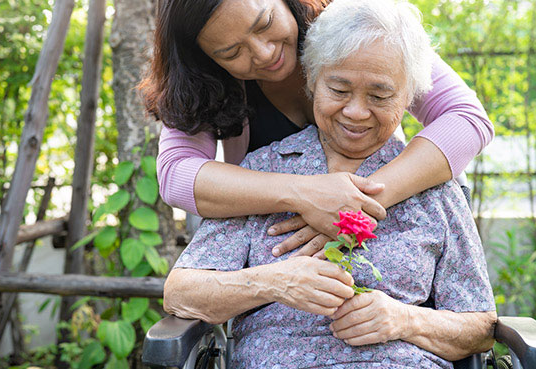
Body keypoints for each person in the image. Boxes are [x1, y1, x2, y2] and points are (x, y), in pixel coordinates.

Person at [163, 1, 497, 367]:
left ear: (408, 95)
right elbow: (177, 182)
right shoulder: (256, 173)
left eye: (379, 96)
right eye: (338, 90)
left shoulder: (433, 186)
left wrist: (406, 318)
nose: (263, 52)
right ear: (314, 80)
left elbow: (479, 326)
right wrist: (275, 279)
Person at [139, 0, 494, 257]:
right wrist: (304, 194)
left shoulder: (357, 24)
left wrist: (355, 209)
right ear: (205, 59)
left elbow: (467, 118)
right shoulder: (203, 84)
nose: (263, 53)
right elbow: (177, 175)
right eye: (232, 52)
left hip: (387, 235)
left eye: (264, 23)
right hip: (281, 261)